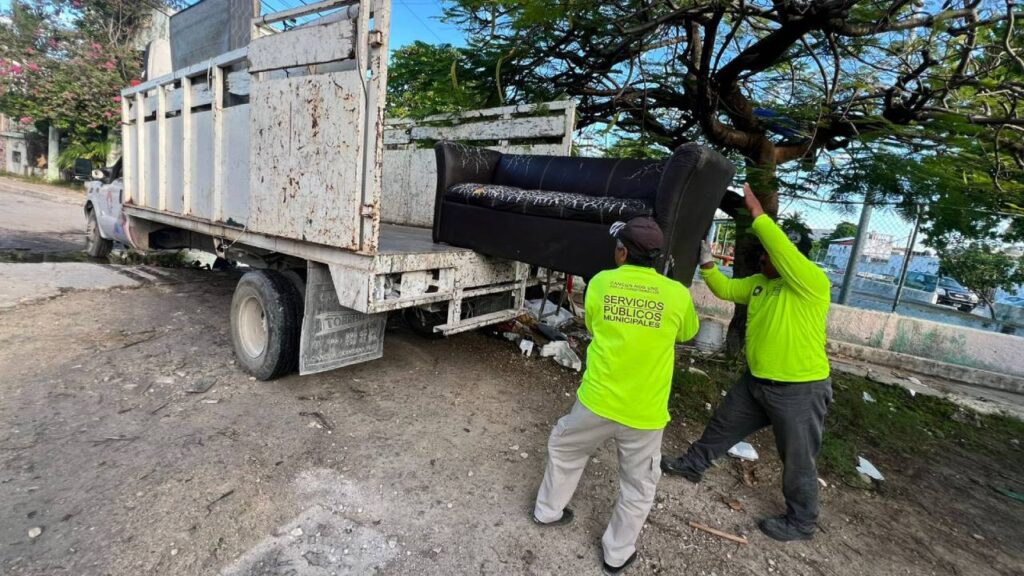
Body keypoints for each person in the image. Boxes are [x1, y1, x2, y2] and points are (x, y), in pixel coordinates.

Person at [661, 183, 832, 542]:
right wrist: (706, 262)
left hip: (799, 389)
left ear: (788, 259)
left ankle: (801, 522)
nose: (761, 259)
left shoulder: (811, 284)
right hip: (757, 382)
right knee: (722, 424)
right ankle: (693, 465)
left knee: (798, 458)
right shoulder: (759, 284)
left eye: (768, 255)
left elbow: (782, 250)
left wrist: (759, 215)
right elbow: (725, 290)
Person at [532, 217, 700, 573]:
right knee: (638, 485)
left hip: (597, 400)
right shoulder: (677, 294)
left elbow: (592, 324)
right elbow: (686, 333)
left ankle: (548, 511)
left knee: (566, 450)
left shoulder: (602, 283)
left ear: (622, 252)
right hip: (645, 412)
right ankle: (617, 554)